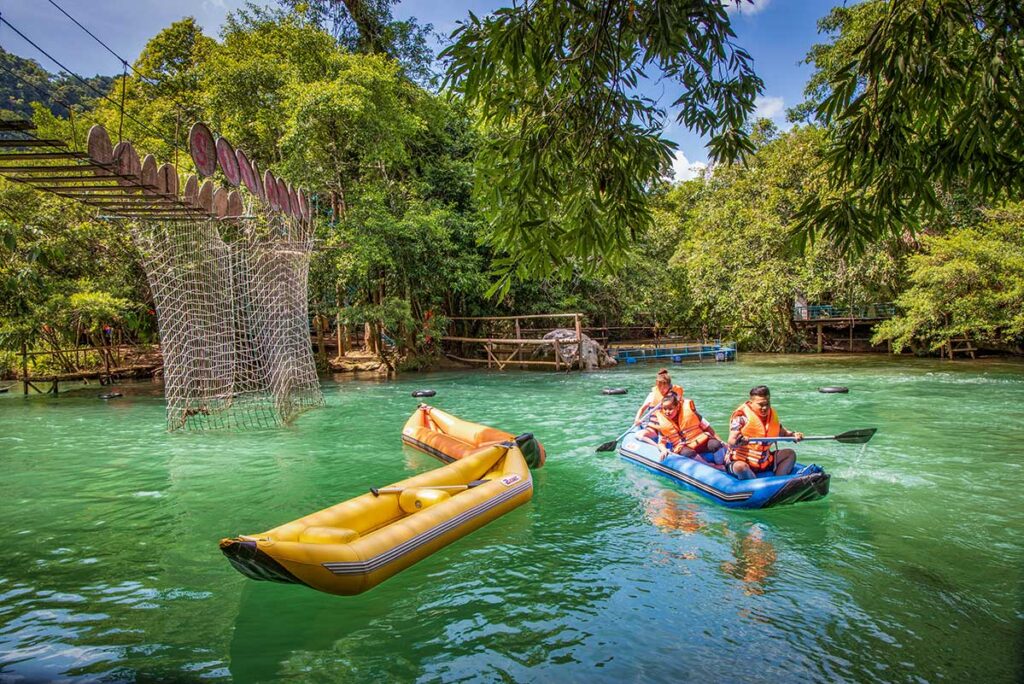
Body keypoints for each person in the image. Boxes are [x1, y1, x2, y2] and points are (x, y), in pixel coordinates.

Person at [725, 385, 803, 479]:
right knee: (740, 467)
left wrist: (794, 435)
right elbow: (731, 442)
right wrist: (740, 441)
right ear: (751, 403)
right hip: (741, 461)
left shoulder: (771, 416)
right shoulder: (741, 417)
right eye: (761, 405)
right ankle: (755, 486)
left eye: (767, 404)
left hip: (765, 461)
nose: (765, 408)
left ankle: (778, 482)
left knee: (790, 454)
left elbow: (783, 433)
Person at [639, 393, 724, 466]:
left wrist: (721, 442)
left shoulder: (691, 413)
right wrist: (664, 450)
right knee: (688, 453)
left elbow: (708, 428)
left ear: (677, 407)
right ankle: (710, 466)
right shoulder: (663, 422)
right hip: (683, 447)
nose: (667, 412)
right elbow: (661, 442)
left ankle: (722, 464)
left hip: (700, 441)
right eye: (665, 409)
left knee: (716, 444)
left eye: (670, 409)